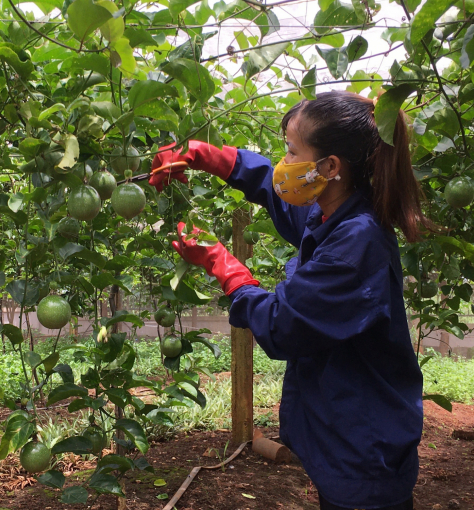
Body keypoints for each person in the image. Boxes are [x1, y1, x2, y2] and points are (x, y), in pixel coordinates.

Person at [149, 91, 427, 510]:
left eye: (292, 151)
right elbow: (271, 187)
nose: (283, 163)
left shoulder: (357, 242)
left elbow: (283, 327)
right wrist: (206, 155)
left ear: (330, 166)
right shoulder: (334, 210)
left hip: (365, 444)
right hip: (345, 428)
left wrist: (224, 267)